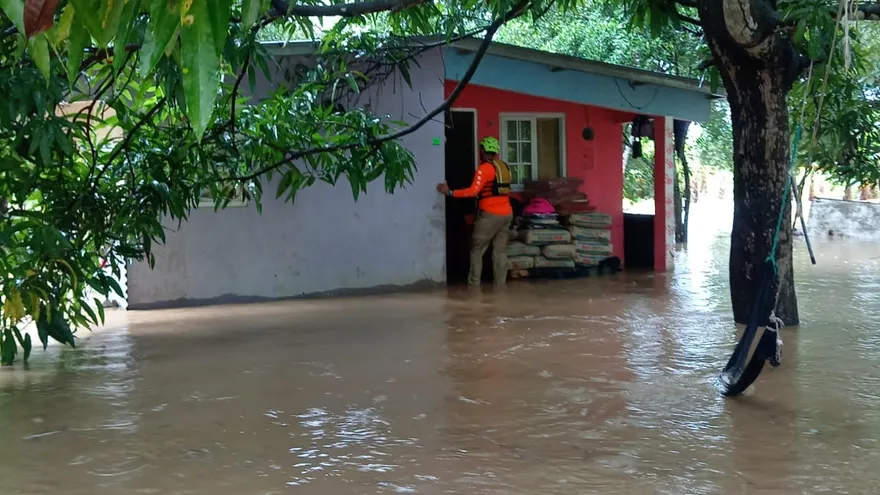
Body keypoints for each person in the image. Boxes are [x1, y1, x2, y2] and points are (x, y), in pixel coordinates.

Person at [437, 136, 514, 286]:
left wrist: (450, 192)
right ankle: (500, 286)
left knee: (477, 249)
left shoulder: (484, 169)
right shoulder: (504, 166)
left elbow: (473, 191)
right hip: (507, 214)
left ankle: (474, 286)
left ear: (483, 151)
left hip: (490, 215)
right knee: (500, 252)